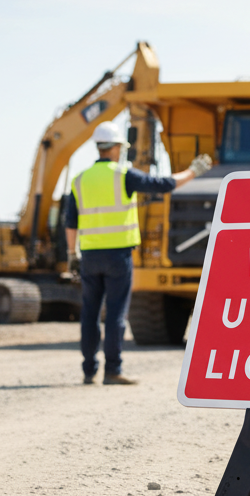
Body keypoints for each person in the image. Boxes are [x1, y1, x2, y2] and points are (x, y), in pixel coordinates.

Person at [64, 121, 212, 385]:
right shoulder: (123, 175)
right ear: (117, 147)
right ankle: (113, 370)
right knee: (116, 314)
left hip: (89, 255)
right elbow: (164, 184)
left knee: (89, 314)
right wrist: (193, 171)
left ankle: (88, 371)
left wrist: (71, 254)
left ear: (99, 147)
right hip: (118, 256)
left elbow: (71, 222)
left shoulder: (79, 180)